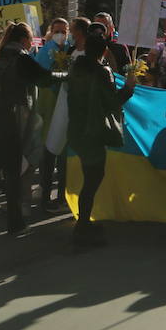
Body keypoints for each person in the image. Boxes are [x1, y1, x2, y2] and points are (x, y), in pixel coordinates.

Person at [0, 22, 55, 236]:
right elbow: (46, 79)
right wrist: (66, 74)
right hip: (6, 120)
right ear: (25, 40)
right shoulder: (22, 58)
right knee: (12, 173)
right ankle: (15, 223)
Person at [67, 31, 137, 247]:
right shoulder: (101, 72)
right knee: (93, 179)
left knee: (91, 177)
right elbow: (112, 102)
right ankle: (82, 228)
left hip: (77, 129)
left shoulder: (75, 68)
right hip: (93, 131)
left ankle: (84, 222)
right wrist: (129, 88)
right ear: (104, 51)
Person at [32, 18, 73, 211]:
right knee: (48, 150)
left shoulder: (71, 49)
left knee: (63, 153)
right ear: (51, 31)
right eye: (57, 30)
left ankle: (62, 196)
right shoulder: (43, 52)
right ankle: (45, 191)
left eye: (64, 31)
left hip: (64, 106)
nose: (61, 34)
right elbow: (41, 77)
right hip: (48, 105)